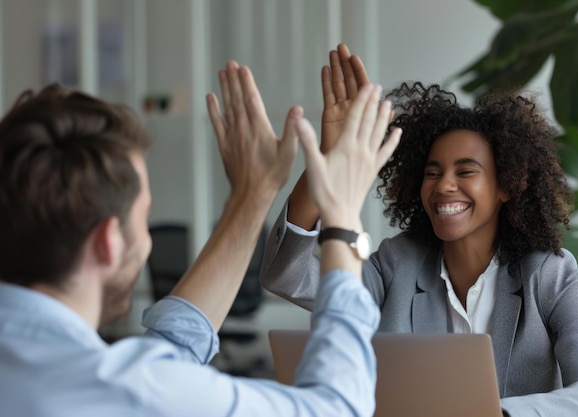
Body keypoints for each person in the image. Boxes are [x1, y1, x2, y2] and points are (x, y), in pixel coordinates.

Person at [0, 59, 401, 416]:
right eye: (144, 216)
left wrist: (251, 197)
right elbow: (339, 407)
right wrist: (343, 218)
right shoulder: (116, 388)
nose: (149, 240)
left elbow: (166, 355)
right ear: (108, 241)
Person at [259, 44, 578, 417]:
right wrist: (328, 167)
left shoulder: (551, 276)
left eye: (465, 171)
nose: (444, 185)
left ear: (507, 185)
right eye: (432, 172)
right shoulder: (396, 265)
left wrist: (492, 413)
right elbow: (286, 275)